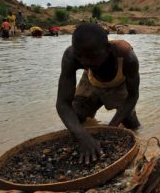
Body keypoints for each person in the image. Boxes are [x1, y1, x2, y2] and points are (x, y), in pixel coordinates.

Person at [56, 24, 140, 164]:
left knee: (131, 124)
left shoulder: (127, 57)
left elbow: (133, 96)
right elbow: (63, 103)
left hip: (118, 83)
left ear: (107, 50)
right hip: (90, 81)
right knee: (76, 117)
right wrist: (82, 136)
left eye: (92, 57)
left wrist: (111, 129)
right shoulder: (71, 56)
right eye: (79, 56)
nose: (84, 62)